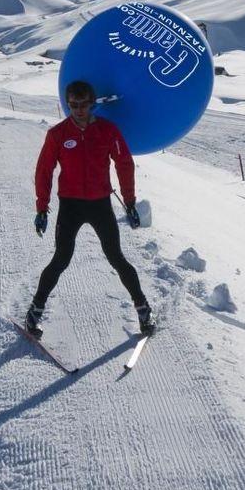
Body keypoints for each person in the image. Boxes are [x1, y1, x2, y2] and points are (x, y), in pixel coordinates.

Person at [26, 79, 152, 337]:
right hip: (70, 205)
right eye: (73, 105)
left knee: (116, 257)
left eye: (83, 105)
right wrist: (42, 207)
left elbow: (124, 164)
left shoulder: (108, 131)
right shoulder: (58, 134)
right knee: (61, 259)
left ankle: (143, 308)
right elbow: (44, 171)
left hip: (100, 204)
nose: (79, 110)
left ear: (92, 103)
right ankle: (35, 310)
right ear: (67, 104)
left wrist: (129, 202)